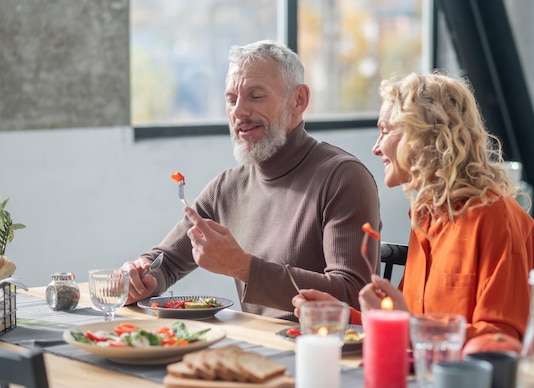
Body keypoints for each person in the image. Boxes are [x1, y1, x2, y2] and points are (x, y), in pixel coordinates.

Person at [122, 40, 381, 320]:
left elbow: (354, 295)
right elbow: (168, 261)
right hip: (257, 347)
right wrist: (141, 274)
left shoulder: (343, 177)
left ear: (299, 100)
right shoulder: (227, 187)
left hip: (320, 351)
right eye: (231, 99)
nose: (238, 112)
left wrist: (245, 267)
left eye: (255, 96)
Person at [293, 72, 534, 341]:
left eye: (385, 131)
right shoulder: (425, 218)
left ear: (423, 137)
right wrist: (340, 315)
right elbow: (407, 321)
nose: (376, 148)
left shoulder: (496, 218)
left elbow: (501, 340)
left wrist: (408, 325)